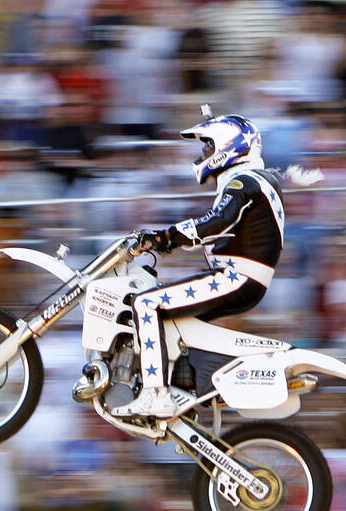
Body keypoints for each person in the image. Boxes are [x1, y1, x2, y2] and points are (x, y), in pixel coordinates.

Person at [112, 112, 306, 418]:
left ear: (228, 147)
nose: (203, 153)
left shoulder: (246, 181)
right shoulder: (254, 181)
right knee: (170, 315)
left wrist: (163, 238)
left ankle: (156, 395)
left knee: (145, 305)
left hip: (236, 278)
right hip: (239, 279)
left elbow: (215, 223)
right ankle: (180, 385)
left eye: (208, 146)